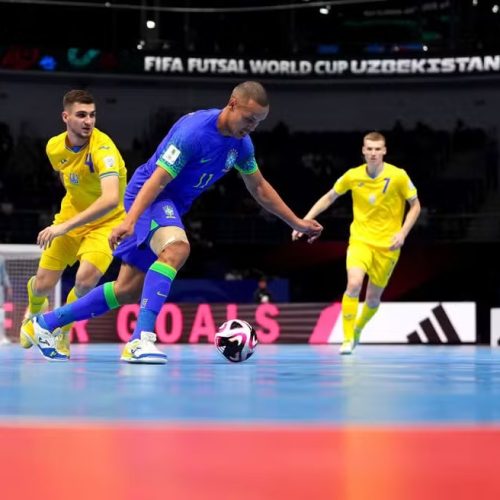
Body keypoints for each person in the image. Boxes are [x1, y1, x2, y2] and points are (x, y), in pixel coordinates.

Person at [21, 81, 323, 363]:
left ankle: (45, 323)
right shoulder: (194, 132)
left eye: (258, 122)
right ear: (232, 104)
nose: (252, 127)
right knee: (177, 248)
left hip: (172, 205)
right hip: (149, 196)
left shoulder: (241, 145)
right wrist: (131, 221)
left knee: (126, 290)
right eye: (249, 118)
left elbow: (258, 187)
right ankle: (141, 339)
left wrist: (295, 221)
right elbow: (157, 180)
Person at [20, 89, 127, 359]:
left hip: (107, 223)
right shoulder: (54, 147)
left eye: (92, 115)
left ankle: (61, 331)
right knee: (43, 285)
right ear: (65, 117)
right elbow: (67, 177)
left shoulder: (104, 149)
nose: (88, 121)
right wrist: (66, 221)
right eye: (81, 115)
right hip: (70, 217)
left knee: (85, 280)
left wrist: (63, 227)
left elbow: (112, 198)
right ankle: (34, 309)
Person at [292, 131, 420, 355]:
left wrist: (403, 233)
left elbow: (415, 206)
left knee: (372, 299)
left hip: (388, 246)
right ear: (363, 151)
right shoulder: (352, 176)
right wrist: (303, 222)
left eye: (377, 149)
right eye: (369, 149)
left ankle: (359, 328)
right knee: (353, 285)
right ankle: (347, 337)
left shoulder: (398, 176)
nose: (373, 153)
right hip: (360, 241)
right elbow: (329, 196)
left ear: (384, 151)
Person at [0, 254, 13, 345]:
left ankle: (2, 337)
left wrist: (8, 287)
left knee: (1, 311)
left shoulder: (1, 259)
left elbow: (4, 274)